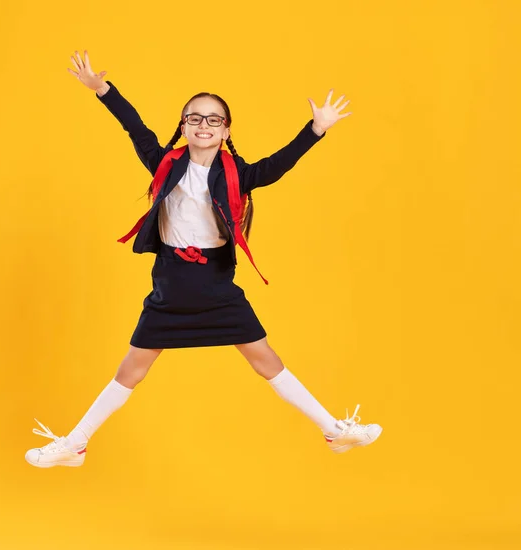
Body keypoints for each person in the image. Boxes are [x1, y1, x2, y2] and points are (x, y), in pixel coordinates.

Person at [24, 50, 382, 468]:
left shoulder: (238, 173)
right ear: (183, 126)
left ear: (226, 130)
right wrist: (101, 89)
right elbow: (133, 126)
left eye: (214, 119)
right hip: (172, 283)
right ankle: (74, 444)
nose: (204, 125)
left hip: (216, 284)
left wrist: (315, 130)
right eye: (194, 117)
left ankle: (334, 431)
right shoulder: (164, 163)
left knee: (267, 360)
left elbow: (277, 166)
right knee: (131, 370)